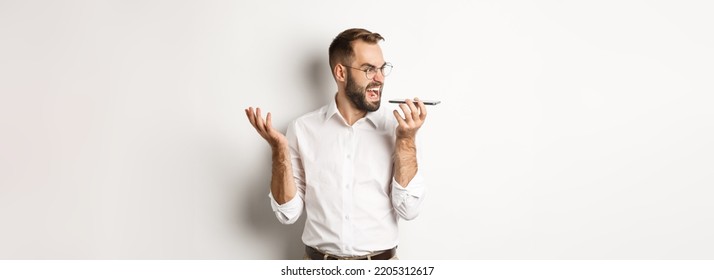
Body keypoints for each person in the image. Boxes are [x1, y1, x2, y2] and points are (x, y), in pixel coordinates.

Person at [245, 28, 428, 260]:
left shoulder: (400, 129)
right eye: (369, 69)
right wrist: (278, 151)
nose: (380, 78)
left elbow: (409, 210)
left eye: (382, 69)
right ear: (341, 73)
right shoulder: (302, 129)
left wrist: (406, 142)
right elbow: (287, 214)